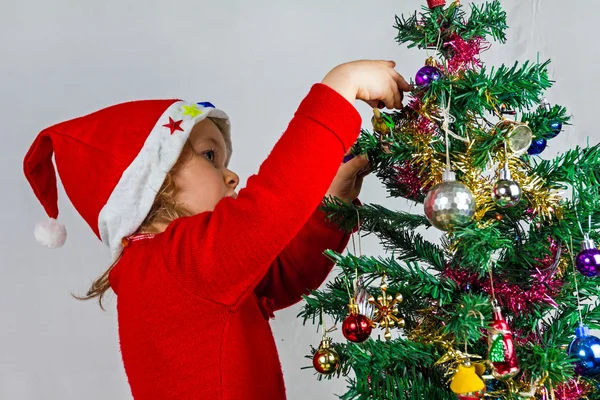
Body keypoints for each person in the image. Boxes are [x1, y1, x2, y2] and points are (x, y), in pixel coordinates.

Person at [23, 60, 410, 399]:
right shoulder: (174, 263)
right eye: (210, 157)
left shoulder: (172, 267)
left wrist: (331, 203)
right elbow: (271, 207)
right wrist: (340, 86)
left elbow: (281, 276)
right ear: (151, 181)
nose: (231, 176)